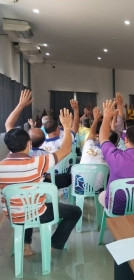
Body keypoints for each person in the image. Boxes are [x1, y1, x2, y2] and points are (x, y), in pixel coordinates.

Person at [0, 89, 81, 256]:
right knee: (74, 211)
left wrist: (21, 105)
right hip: (36, 212)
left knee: (24, 201)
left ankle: (25, 246)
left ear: (8, 145)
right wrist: (66, 125)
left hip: (13, 216)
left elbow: (8, 125)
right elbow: (66, 148)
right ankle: (54, 244)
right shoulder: (38, 162)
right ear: (29, 145)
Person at [98, 99, 134, 215]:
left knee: (102, 195)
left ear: (125, 140)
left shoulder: (114, 157)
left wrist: (106, 117)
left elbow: (103, 138)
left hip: (116, 208)